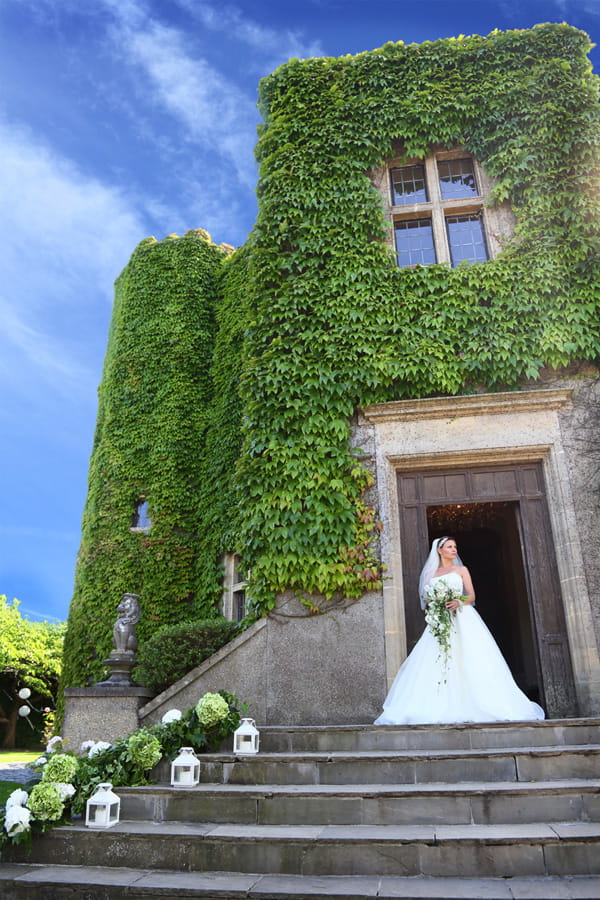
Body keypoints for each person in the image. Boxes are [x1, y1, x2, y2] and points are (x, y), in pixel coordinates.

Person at [374, 536, 545, 724]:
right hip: (441, 621)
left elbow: (471, 596)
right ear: (439, 550)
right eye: (449, 547)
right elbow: (427, 600)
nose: (454, 550)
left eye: (455, 547)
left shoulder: (461, 570)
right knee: (437, 660)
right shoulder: (431, 574)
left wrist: (458, 601)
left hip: (463, 618)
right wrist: (437, 605)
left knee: (471, 657)